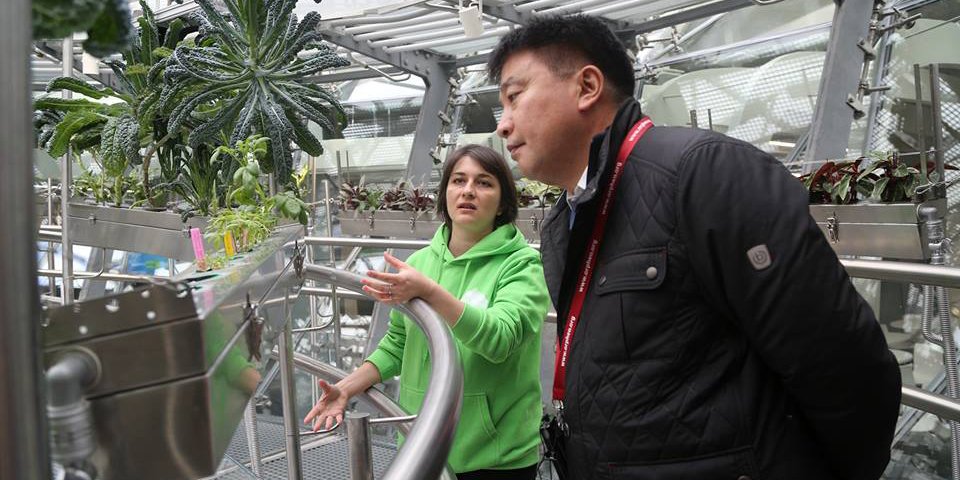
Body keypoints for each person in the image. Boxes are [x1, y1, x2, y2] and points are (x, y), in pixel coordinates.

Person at [488, 14, 902, 480]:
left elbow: (842, 362)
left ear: (587, 87)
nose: (503, 125)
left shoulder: (703, 173)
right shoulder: (567, 217)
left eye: (514, 97)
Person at [303, 144, 550, 480]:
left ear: (504, 202)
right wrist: (346, 388)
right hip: (423, 442)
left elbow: (500, 339)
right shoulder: (420, 264)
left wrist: (430, 292)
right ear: (445, 193)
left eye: (484, 183)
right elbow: (398, 345)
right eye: (458, 180)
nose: (468, 191)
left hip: (495, 459)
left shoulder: (522, 265)